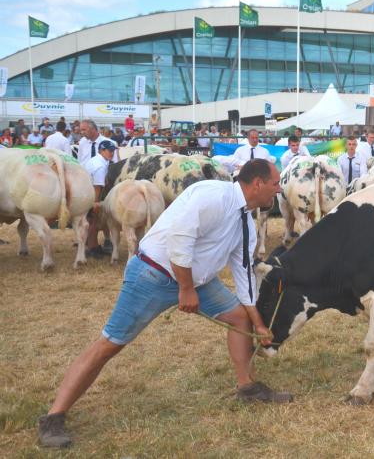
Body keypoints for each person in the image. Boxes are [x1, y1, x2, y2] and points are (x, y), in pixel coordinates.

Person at [37, 160, 290, 449]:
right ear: (257, 183)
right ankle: (53, 417)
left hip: (198, 281)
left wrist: (257, 322)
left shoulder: (246, 221)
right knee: (110, 344)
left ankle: (247, 386)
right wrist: (185, 289)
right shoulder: (212, 195)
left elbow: (243, 272)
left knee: (239, 318)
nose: (278, 189)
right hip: (153, 274)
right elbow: (179, 239)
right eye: (275, 183)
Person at [81, 141, 118, 258]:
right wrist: (96, 202)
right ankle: (92, 248)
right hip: (91, 195)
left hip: (84, 193)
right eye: (109, 151)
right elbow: (97, 186)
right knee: (93, 222)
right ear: (102, 150)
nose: (112, 153)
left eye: (113, 151)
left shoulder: (96, 161)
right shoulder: (100, 165)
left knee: (90, 222)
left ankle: (92, 246)